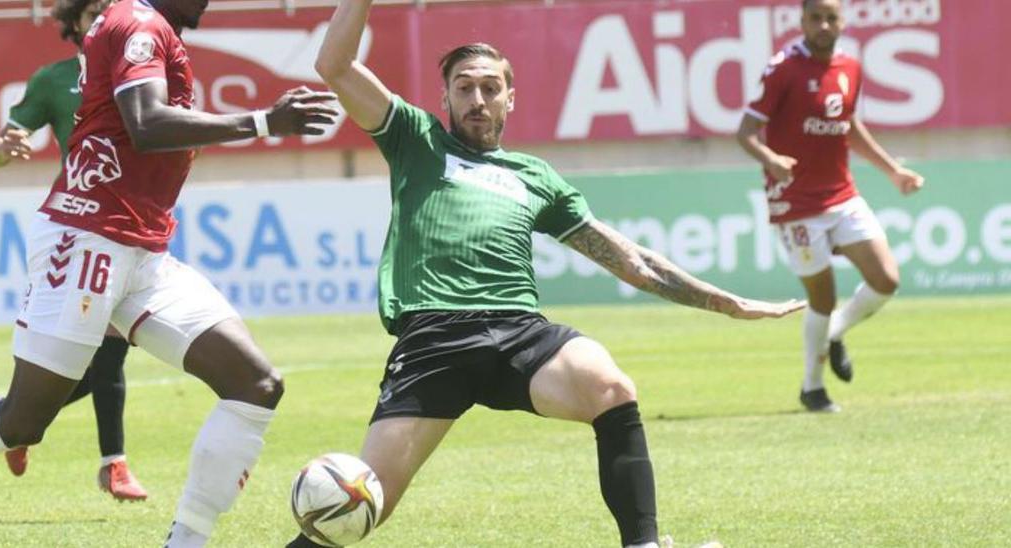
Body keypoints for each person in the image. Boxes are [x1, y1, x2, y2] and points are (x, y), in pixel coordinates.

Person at [290, 0, 805, 546]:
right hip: (434, 339)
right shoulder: (417, 141)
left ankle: (644, 544)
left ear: (511, 98)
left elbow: (629, 258)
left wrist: (722, 301)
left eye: (490, 88)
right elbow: (335, 67)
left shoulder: (535, 177)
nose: (477, 99)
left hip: (519, 332)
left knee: (610, 387)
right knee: (360, 505)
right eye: (463, 88)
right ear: (444, 98)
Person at [0, 0, 340, 545]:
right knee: (22, 422)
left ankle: (186, 540)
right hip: (86, 240)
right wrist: (264, 121)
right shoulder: (140, 23)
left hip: (143, 252)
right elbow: (146, 123)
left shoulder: (152, 27)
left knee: (255, 385)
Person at [0, 0, 148, 502]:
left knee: (102, 357)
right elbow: (2, 146)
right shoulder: (54, 81)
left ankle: (19, 421)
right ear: (74, 22)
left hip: (137, 226)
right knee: (107, 354)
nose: (102, 18)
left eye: (110, 8)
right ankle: (112, 464)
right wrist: (3, 148)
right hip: (80, 229)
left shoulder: (140, 71)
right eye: (92, 10)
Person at [736, 0, 924, 413]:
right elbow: (746, 130)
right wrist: (770, 160)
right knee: (822, 297)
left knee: (886, 278)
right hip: (796, 202)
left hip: (841, 194)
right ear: (802, 22)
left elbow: (849, 126)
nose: (823, 25)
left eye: (831, 17)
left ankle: (835, 332)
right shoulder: (783, 67)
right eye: (815, 17)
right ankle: (812, 387)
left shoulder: (850, 68)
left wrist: (893, 171)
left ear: (842, 21)